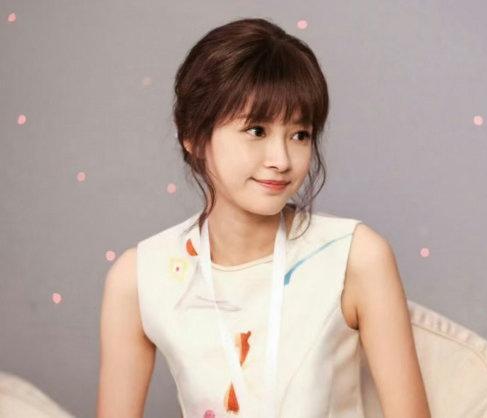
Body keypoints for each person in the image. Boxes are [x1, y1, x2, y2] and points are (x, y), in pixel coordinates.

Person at [97, 17, 431, 418]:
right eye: (256, 130)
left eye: (299, 134)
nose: (282, 160)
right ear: (193, 136)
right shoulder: (140, 277)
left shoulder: (354, 256)